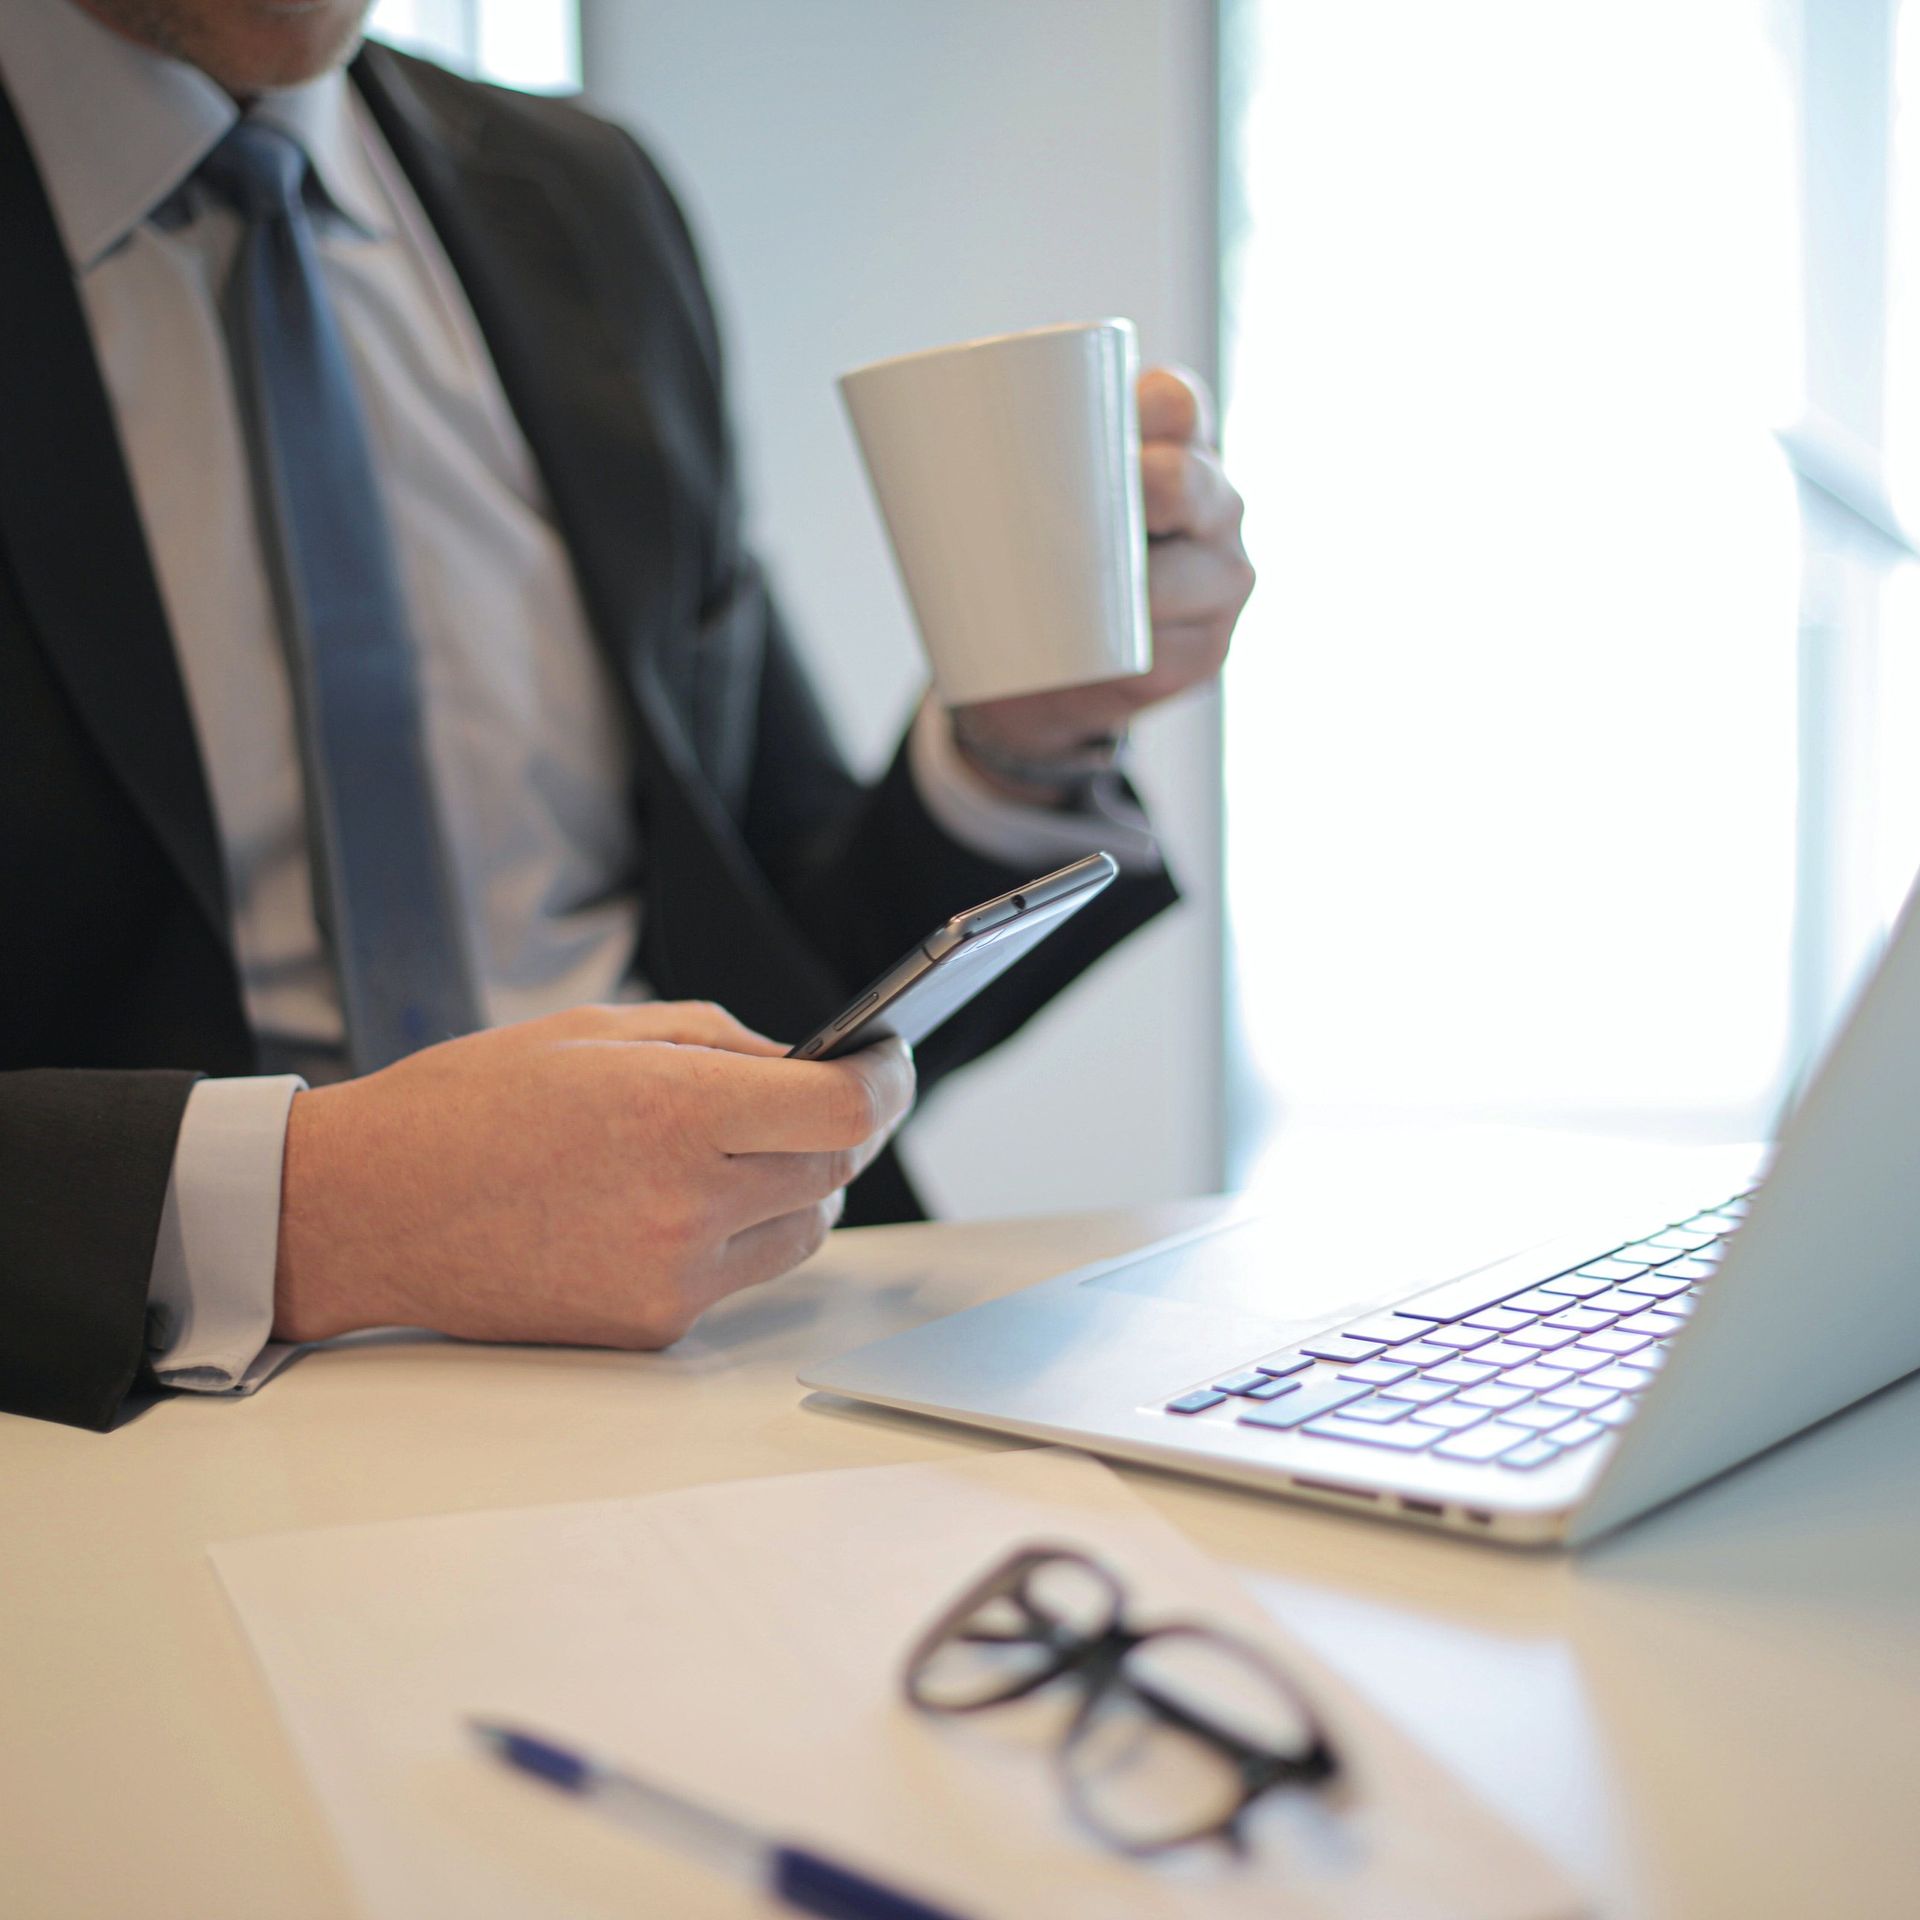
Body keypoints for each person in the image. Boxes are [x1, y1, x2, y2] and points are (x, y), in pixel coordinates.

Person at [0, 0, 1254, 1430]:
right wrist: (318, 1210)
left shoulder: (587, 204)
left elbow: (778, 961)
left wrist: (1022, 745)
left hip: (730, 1375)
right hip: (126, 1442)